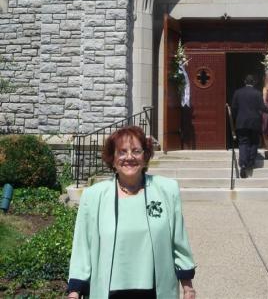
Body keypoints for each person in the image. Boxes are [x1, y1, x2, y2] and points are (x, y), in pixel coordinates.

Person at [67, 125, 196, 299]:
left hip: (155, 291)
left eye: (136, 151)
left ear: (145, 156)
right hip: (110, 291)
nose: (129, 157)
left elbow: (178, 240)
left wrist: (188, 287)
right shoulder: (93, 196)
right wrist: (75, 290)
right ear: (113, 159)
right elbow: (83, 246)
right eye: (122, 152)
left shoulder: (167, 190)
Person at [231, 74, 268, 178]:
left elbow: (234, 108)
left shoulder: (238, 92)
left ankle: (243, 165)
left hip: (241, 122)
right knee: (254, 142)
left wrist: (237, 118)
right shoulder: (257, 93)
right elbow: (262, 107)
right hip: (254, 122)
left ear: (245, 82)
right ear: (253, 83)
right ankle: (250, 163)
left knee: (243, 143)